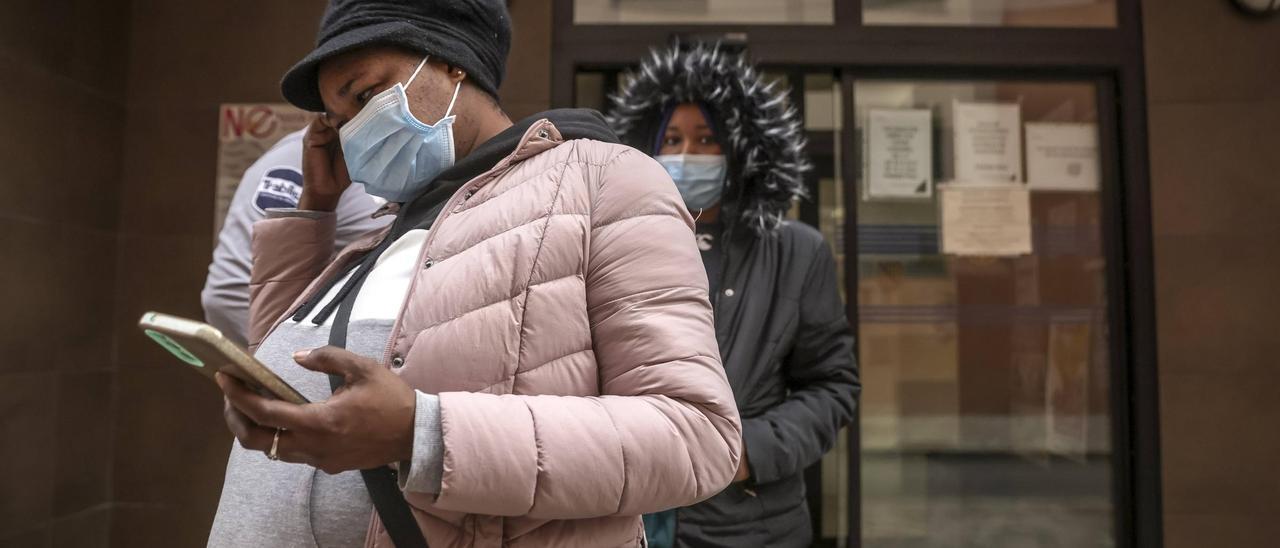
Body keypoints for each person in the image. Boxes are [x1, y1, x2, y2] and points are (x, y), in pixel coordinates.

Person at [207, 2, 742, 547]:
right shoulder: (386, 231)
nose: (351, 133)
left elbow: (696, 434)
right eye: (339, 121)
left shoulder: (604, 182)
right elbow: (293, 365)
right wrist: (314, 211)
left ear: (449, 61)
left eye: (364, 96)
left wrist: (423, 434)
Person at [607, 43, 860, 547]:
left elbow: (832, 385)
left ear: (741, 149)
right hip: (627, 515)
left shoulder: (795, 252)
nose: (685, 157)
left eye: (706, 140)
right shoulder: (612, 242)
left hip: (752, 525)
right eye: (672, 139)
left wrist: (751, 453)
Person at [202, 129, 390, 346]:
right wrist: (297, 368)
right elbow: (230, 293)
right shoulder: (306, 160)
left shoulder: (409, 159)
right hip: (339, 363)